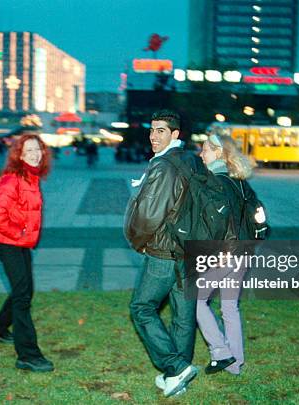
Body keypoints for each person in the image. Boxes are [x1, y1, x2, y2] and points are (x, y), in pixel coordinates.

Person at [124, 109, 202, 397]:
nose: (153, 136)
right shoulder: (190, 159)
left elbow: (148, 215)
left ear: (175, 134)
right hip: (189, 249)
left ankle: (174, 366)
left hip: (164, 250)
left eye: (160, 131)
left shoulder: (163, 166)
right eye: (152, 130)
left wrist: (137, 240)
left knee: (141, 308)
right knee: (183, 315)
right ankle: (176, 378)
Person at [0, 134, 54, 372]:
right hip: (8, 243)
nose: (35, 154)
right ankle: (27, 355)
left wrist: (25, 235)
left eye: (38, 150)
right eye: (29, 151)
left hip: (20, 243)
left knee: (23, 291)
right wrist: (21, 231)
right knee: (23, 296)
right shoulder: (11, 179)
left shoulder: (32, 177)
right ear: (19, 155)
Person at [196, 134, 253, 376]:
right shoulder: (240, 181)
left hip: (225, 253)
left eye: (205, 150)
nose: (201, 154)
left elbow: (215, 221)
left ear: (218, 153)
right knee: (229, 307)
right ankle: (236, 364)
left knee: (195, 301)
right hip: (243, 251)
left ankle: (221, 352)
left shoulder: (215, 182)